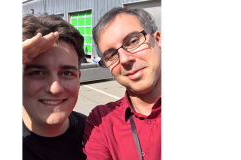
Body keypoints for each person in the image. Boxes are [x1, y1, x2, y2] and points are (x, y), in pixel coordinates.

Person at [83, 7, 162, 160]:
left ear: (158, 40)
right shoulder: (102, 121)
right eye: (112, 55)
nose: (125, 59)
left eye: (133, 41)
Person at [22, 13, 87, 160]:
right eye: (37, 72)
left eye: (67, 73)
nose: (55, 88)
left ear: (78, 78)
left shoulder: (95, 133)